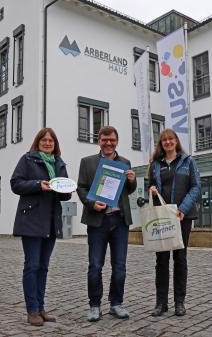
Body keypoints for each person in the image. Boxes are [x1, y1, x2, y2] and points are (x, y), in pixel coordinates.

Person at [10, 128, 71, 326]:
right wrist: (38, 184)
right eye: (44, 140)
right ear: (38, 142)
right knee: (32, 265)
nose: (47, 143)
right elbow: (16, 184)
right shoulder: (28, 159)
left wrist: (66, 190)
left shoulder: (59, 163)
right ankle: (32, 310)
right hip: (31, 220)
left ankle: (41, 307)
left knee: (43, 267)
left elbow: (66, 194)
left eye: (51, 141)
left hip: (51, 221)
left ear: (55, 144)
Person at [77, 126, 137, 322]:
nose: (108, 143)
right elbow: (82, 188)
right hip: (98, 221)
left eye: (111, 140)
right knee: (95, 265)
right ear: (99, 141)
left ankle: (116, 304)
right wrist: (92, 203)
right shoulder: (88, 162)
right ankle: (94, 305)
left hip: (120, 221)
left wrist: (132, 180)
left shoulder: (125, 162)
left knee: (119, 266)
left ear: (117, 141)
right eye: (104, 140)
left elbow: (129, 190)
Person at [148, 128, 200, 317]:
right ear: (161, 144)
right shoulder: (156, 164)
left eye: (171, 139)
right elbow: (151, 186)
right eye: (164, 140)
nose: (168, 142)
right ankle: (161, 303)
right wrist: (152, 189)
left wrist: (183, 209)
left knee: (180, 258)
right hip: (162, 217)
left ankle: (180, 302)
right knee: (161, 261)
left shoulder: (188, 161)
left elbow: (196, 187)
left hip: (182, 217)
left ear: (176, 141)